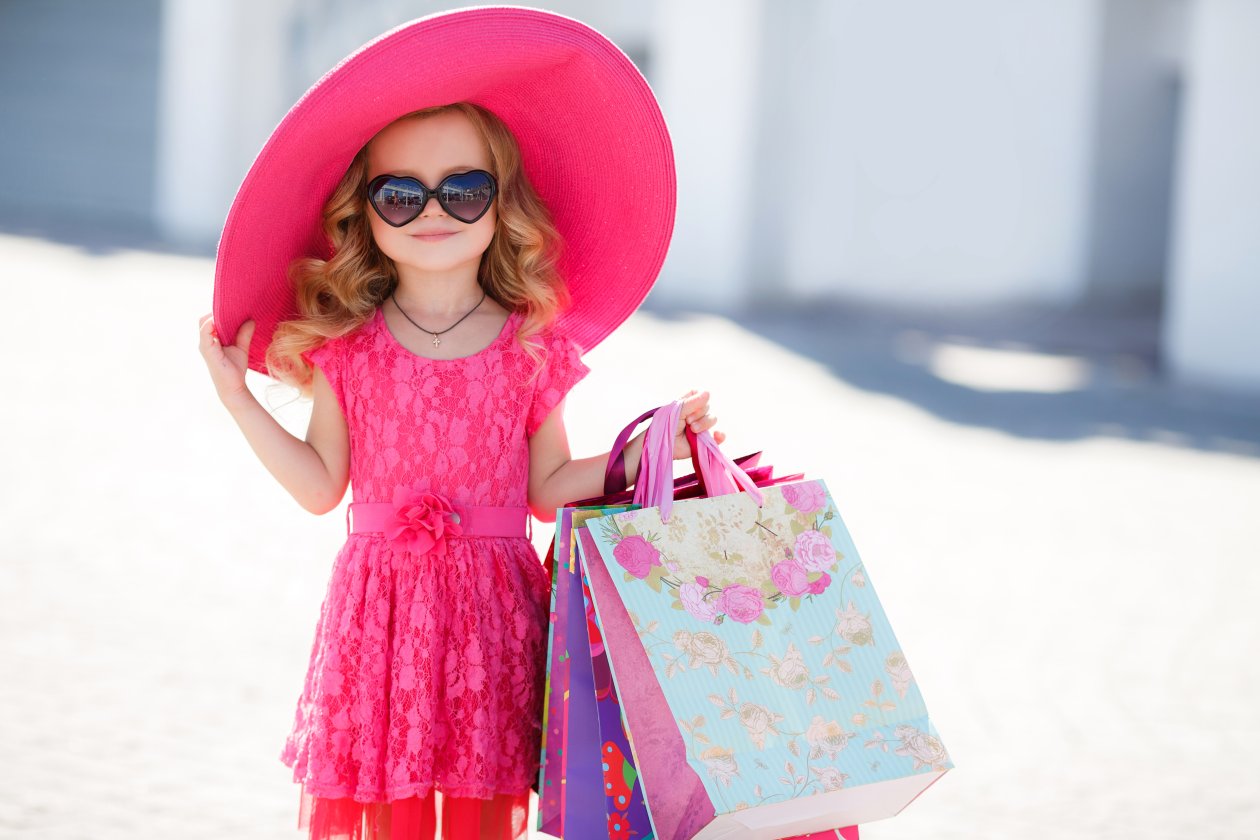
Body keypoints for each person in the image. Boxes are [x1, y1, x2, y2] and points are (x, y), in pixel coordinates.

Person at [196, 8, 723, 840]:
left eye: (464, 189)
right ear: (362, 213)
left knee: (485, 816)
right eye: (400, 195)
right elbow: (319, 487)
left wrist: (651, 445)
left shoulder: (528, 348)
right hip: (382, 620)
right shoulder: (350, 350)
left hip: (493, 618)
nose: (433, 212)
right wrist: (239, 400)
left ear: (500, 202)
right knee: (390, 811)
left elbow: (549, 489)